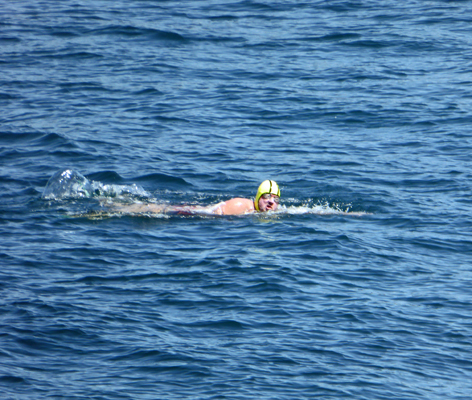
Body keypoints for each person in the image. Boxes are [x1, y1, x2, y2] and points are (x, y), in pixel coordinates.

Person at [114, 180, 281, 216]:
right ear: (258, 197)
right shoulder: (242, 206)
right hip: (203, 212)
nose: (271, 202)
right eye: (266, 197)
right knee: (164, 210)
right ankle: (122, 208)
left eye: (275, 199)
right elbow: (214, 213)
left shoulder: (274, 211)